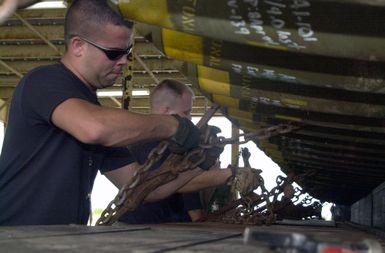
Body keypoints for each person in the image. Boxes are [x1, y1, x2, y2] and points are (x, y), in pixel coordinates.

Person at [0, 0, 203, 226]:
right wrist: (172, 125)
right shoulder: (43, 81)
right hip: (14, 237)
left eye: (127, 52)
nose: (124, 61)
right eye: (114, 53)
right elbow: (95, 128)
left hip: (62, 240)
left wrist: (198, 164)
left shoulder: (93, 110)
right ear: (78, 46)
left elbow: (142, 188)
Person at [105, 79, 261, 223]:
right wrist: (231, 174)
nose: (190, 118)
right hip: (145, 229)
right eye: (186, 112)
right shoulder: (155, 145)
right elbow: (162, 184)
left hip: (159, 226)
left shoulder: (141, 142)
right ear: (166, 110)